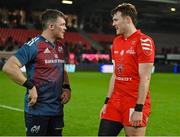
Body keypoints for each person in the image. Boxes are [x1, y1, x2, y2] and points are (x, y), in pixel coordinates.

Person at [2, 9, 71, 136]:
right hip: (37, 111)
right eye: (62, 24)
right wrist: (30, 86)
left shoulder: (61, 47)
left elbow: (62, 67)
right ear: (51, 26)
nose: (65, 28)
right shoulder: (33, 45)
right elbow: (9, 67)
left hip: (57, 110)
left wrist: (66, 87)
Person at [98, 3, 155, 136]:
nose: (113, 24)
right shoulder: (117, 41)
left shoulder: (144, 41)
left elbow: (145, 78)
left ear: (128, 19)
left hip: (133, 102)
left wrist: (139, 109)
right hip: (115, 102)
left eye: (116, 20)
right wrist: (107, 102)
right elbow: (115, 74)